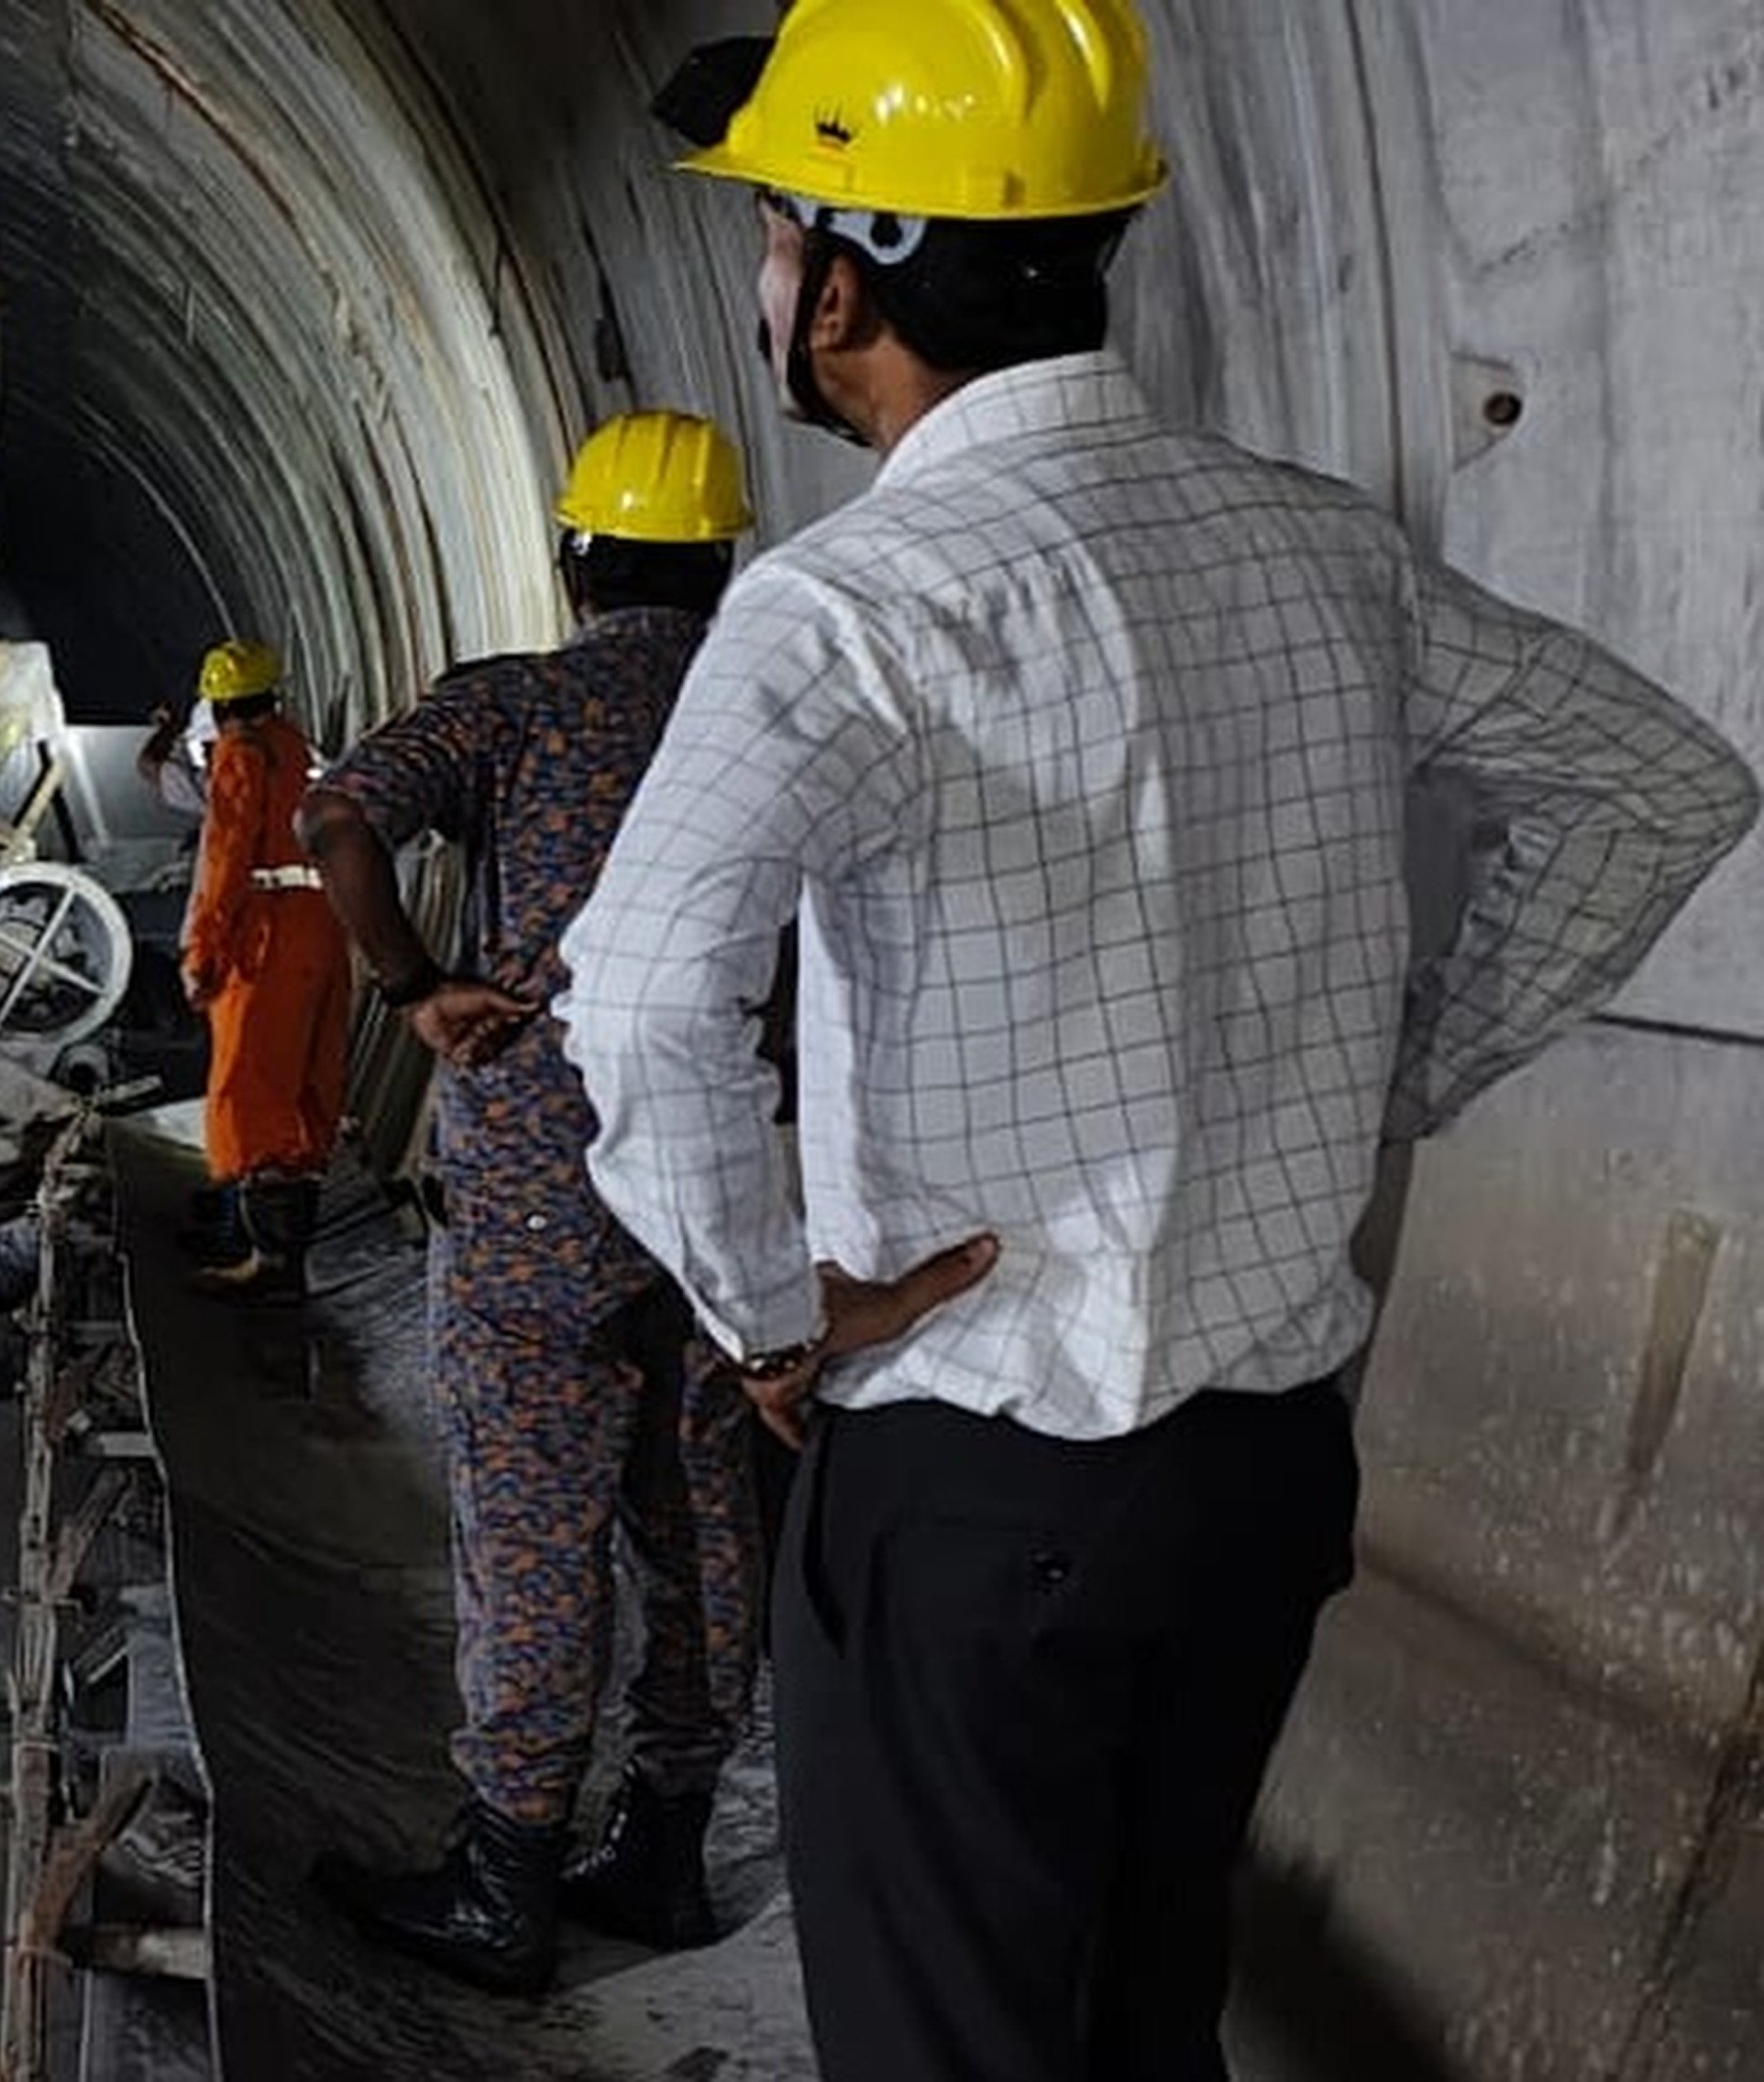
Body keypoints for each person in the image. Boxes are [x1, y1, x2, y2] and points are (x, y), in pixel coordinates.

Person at [556, 4, 1760, 2076]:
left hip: (973, 1471)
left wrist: (764, 1310)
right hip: (1257, 1468)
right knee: (1132, 2007)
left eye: (764, 235)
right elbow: (1647, 779)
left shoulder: (848, 607)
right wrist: (1397, 1064)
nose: (763, 282)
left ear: (831, 279)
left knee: (951, 2033)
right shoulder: (1308, 544)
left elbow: (648, 992)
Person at [295, 412, 766, 1996]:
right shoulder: (768, 700)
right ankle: (663, 1846)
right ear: (720, 560)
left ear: (574, 559)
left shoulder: (516, 702)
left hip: (535, 1186)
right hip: (724, 1175)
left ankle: (503, 1872)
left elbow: (337, 816)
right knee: (695, 1510)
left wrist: (415, 985)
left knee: (530, 1519)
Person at [171, 638, 349, 1300]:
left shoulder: (240, 759)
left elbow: (223, 862)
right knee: (305, 1090)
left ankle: (268, 1262)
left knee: (251, 1089)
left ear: (219, 708)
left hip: (267, 932)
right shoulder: (301, 752)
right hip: (324, 926)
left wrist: (202, 955)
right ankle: (272, 1247)